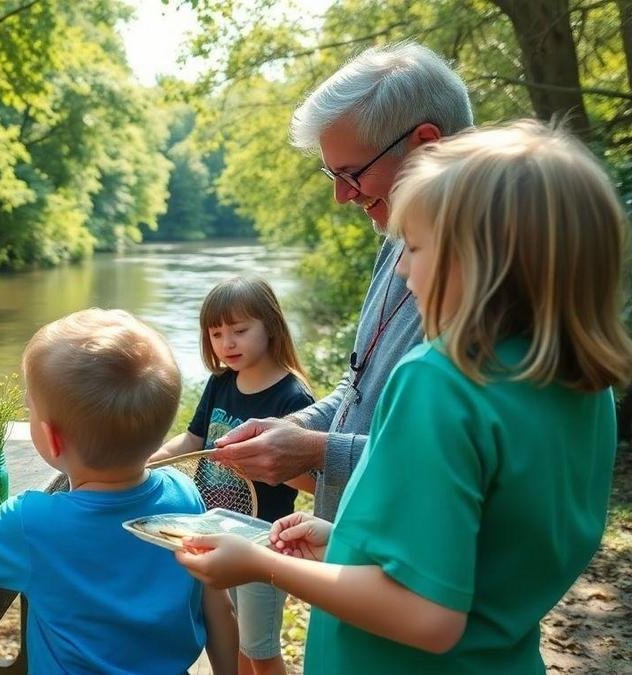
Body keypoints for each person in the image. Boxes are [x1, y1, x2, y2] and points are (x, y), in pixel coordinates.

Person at [175, 120, 632, 673]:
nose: (401, 268)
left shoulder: (439, 380)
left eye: (413, 247)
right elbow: (485, 552)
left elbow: (427, 617)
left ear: (481, 259)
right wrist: (346, 545)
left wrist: (258, 563)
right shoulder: (584, 385)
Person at [212, 42, 474, 520]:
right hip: (350, 552)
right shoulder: (397, 238)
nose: (339, 196)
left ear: (426, 143)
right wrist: (292, 428)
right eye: (331, 174)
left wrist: (316, 451)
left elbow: (453, 462)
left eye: (351, 174)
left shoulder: (485, 276)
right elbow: (358, 386)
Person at [0, 309, 236, 673]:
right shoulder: (185, 495)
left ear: (52, 439)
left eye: (29, 407)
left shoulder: (34, 520)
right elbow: (219, 607)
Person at [150, 277, 314, 675]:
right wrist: (147, 463)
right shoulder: (220, 382)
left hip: (262, 542)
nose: (228, 343)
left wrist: (262, 463)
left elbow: (312, 480)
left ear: (271, 326)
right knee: (230, 634)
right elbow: (192, 439)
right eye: (217, 333)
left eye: (240, 331)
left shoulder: (294, 397)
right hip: (212, 531)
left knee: (260, 649)